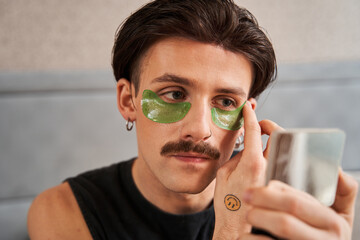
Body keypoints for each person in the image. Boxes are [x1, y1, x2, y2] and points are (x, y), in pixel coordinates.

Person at [27, 0, 358, 239]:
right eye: (174, 94)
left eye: (226, 101)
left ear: (247, 120)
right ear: (129, 101)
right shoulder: (63, 211)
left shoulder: (284, 215)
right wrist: (230, 232)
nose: (200, 130)